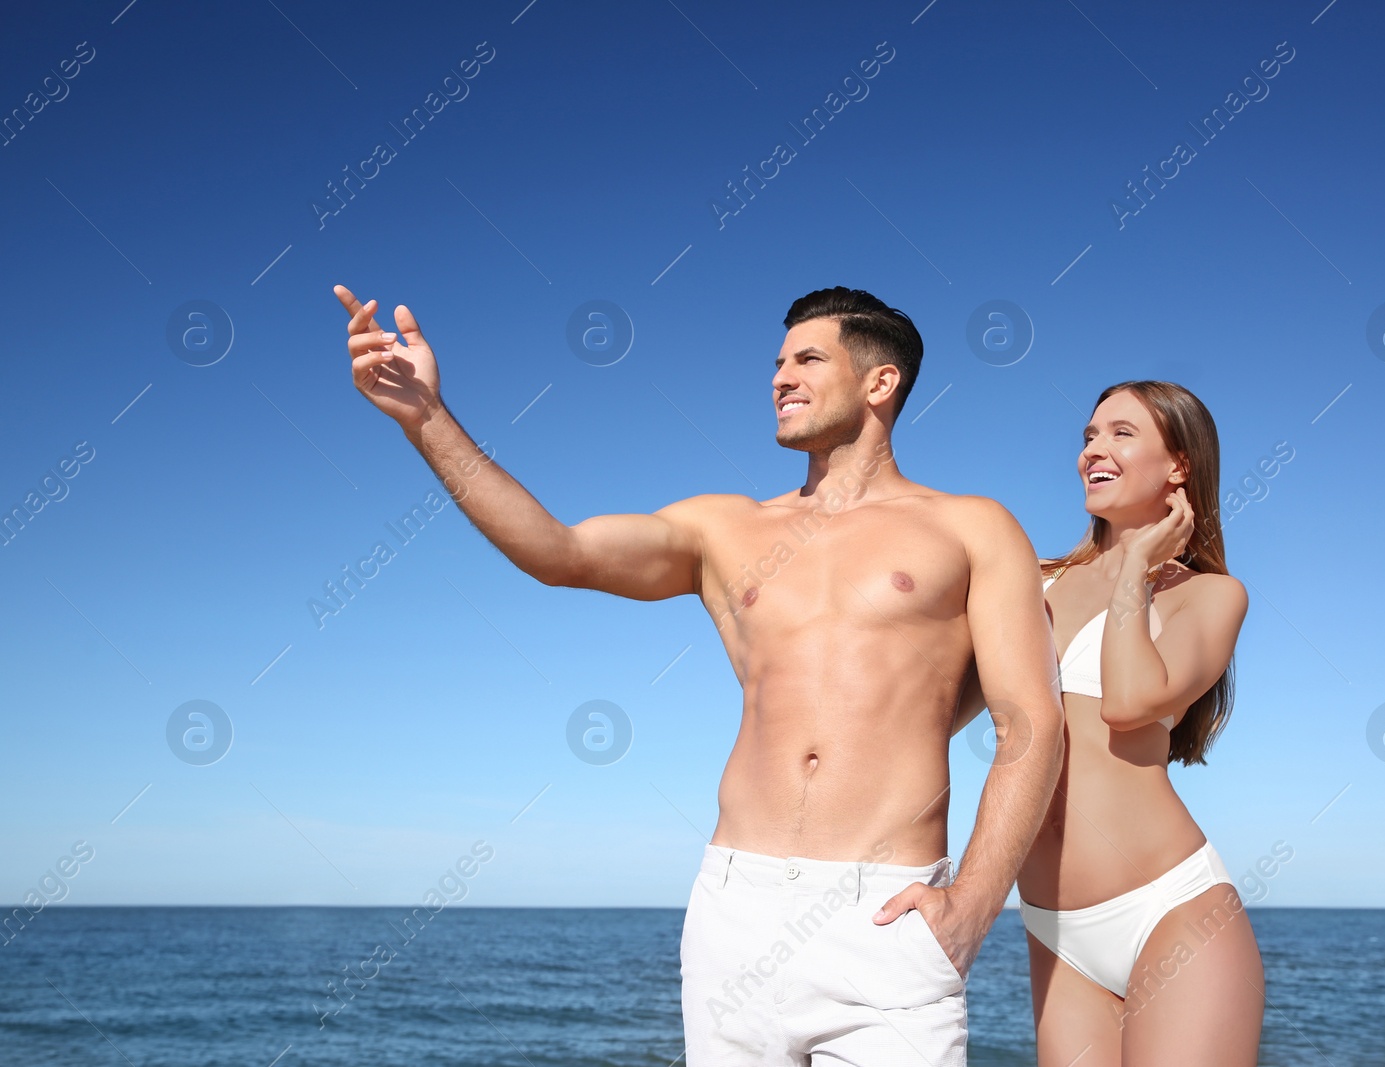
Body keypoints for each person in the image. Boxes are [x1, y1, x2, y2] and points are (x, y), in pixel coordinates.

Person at [333, 283, 1064, 1065]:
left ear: (880, 382)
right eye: (777, 362)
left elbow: (1028, 722)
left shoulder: (971, 526)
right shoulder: (725, 526)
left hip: (887, 911)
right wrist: (427, 419)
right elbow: (560, 551)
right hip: (735, 909)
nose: (780, 377)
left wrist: (972, 908)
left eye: (807, 359)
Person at [958, 381, 1263, 1065]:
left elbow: (1130, 701)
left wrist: (1131, 573)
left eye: (1122, 433)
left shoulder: (1210, 595)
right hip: (1055, 930)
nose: (1094, 449)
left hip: (1173, 912)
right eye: (1089, 436)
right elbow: (939, 711)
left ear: (1178, 465)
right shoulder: (1032, 581)